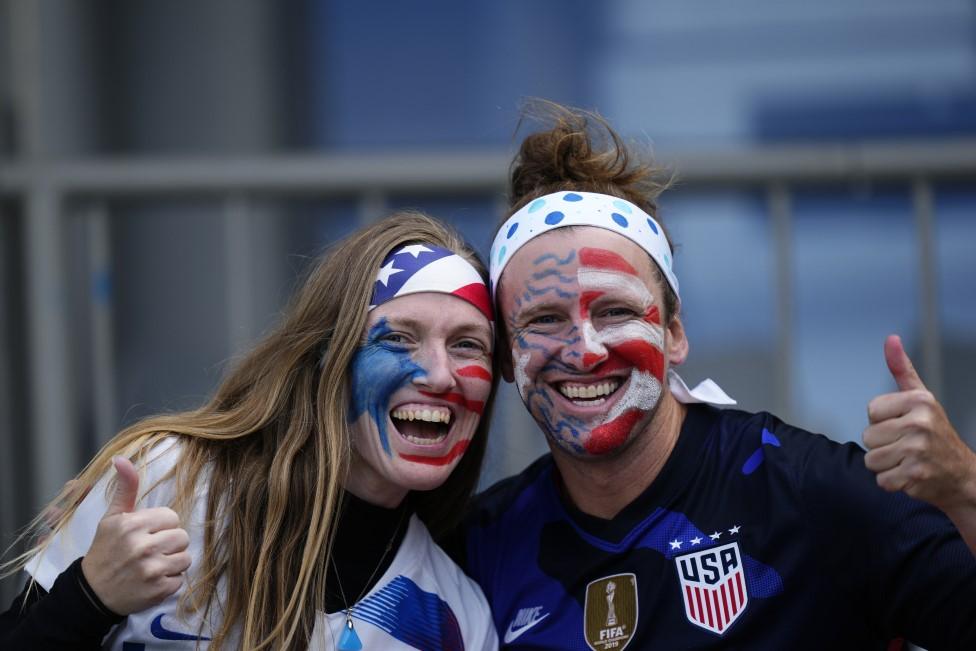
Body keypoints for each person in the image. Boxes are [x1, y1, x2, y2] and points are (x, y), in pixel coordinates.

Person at [450, 103, 976, 649]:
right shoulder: (482, 548)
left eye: (615, 312)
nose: (585, 350)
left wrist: (966, 486)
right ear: (509, 357)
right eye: (545, 320)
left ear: (675, 333)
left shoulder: (808, 495)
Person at [1, 211, 500, 650]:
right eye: (397, 337)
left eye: (467, 345)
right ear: (326, 359)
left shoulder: (457, 615)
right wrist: (88, 597)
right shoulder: (169, 482)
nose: (439, 374)